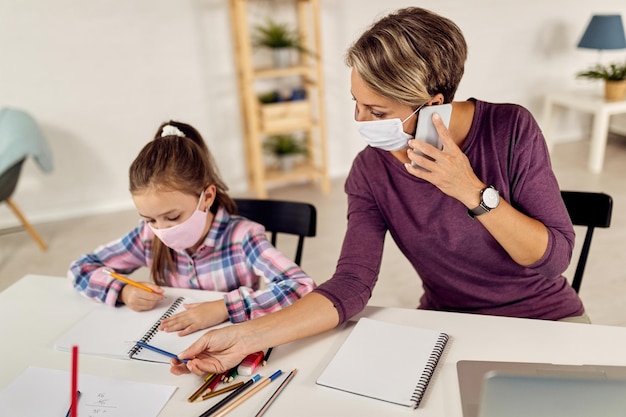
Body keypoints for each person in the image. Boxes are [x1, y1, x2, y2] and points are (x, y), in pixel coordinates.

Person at [170, 6, 586, 376]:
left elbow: (554, 261)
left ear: (433, 103)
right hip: (447, 326)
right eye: (357, 102)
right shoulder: (371, 170)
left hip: (544, 320)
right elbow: (352, 282)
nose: (361, 120)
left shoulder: (510, 129)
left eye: (378, 111)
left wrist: (471, 191)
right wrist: (245, 337)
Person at [68, 120, 315, 335]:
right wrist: (123, 292)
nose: (161, 230)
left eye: (172, 217)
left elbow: (300, 286)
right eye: (150, 219)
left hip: (230, 344)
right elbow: (81, 268)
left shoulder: (242, 237)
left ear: (207, 197)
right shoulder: (146, 237)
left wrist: (223, 308)